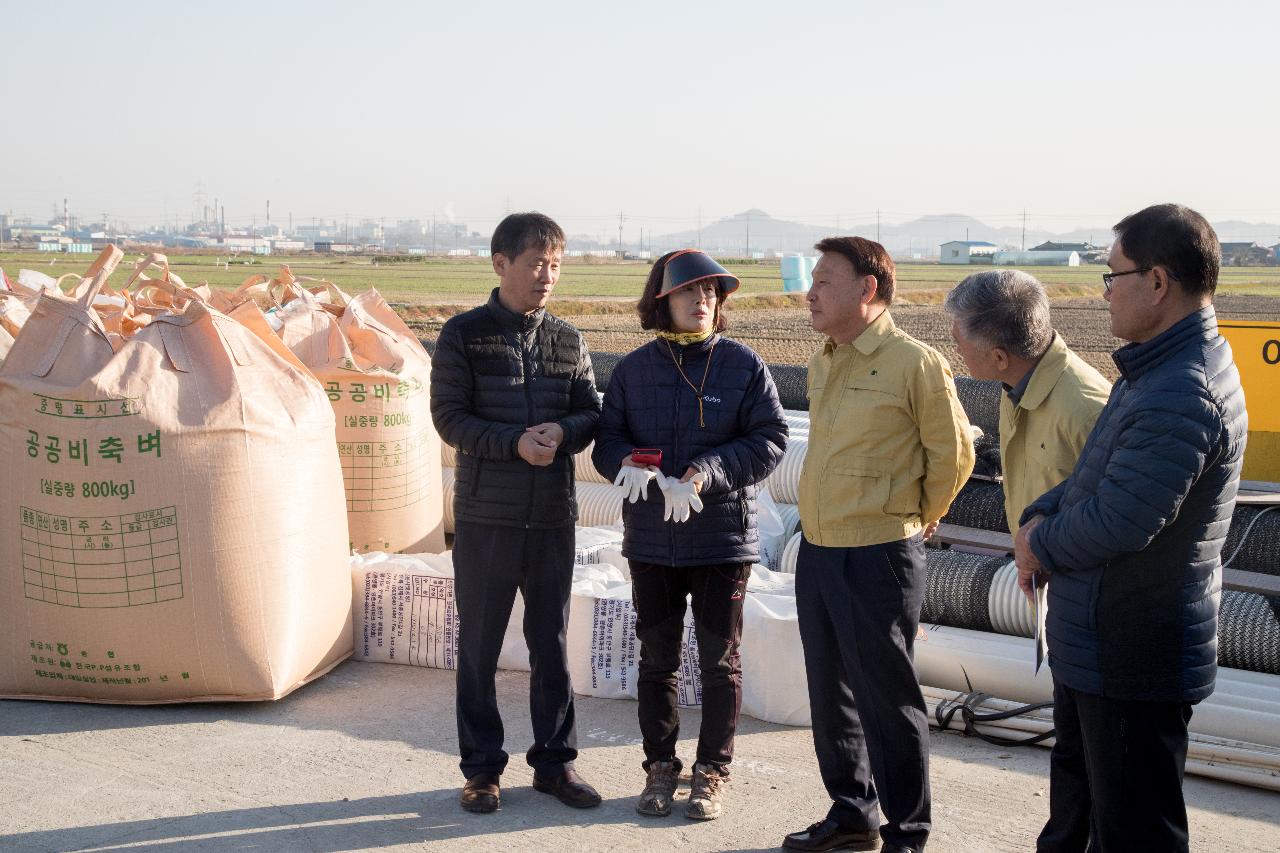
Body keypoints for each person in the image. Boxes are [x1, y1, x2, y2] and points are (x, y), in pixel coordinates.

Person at [1015, 204, 1247, 853]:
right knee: (1084, 815)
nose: (1105, 291)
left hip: (1131, 649)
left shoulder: (1183, 389)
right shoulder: (1157, 369)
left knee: (1137, 832)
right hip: (1101, 641)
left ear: (1158, 282)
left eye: (1112, 275)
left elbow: (1122, 520)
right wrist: (1044, 510)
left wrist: (1039, 542)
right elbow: (1100, 474)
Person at [785, 237, 974, 853]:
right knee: (830, 692)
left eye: (824, 281)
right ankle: (852, 811)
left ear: (868, 289)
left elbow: (954, 455)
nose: (810, 293)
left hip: (878, 553)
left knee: (887, 699)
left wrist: (920, 514)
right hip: (819, 548)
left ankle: (908, 831)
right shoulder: (826, 358)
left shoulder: (914, 363)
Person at [592, 249, 788, 822]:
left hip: (722, 539)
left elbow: (771, 438)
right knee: (657, 659)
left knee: (719, 661)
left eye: (709, 293)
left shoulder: (742, 365)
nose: (701, 301)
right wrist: (625, 462)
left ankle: (712, 771)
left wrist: (708, 471)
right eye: (688, 292)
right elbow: (608, 439)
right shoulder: (633, 370)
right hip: (652, 540)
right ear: (663, 301)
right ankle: (659, 767)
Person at [430, 212, 602, 814]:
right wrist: (514, 443)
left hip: (553, 515)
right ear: (500, 263)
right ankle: (481, 770)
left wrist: (564, 428)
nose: (546, 275)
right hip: (487, 517)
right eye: (536, 263)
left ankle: (555, 764)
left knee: (550, 644)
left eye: (555, 264)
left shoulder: (568, 339)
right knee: (478, 644)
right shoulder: (464, 336)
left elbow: (591, 412)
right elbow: (449, 419)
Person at [944, 269, 1111, 534]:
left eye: (958, 342)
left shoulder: (1087, 411)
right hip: (1036, 561)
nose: (956, 351)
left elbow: (1114, 516)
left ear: (999, 358)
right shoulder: (1016, 384)